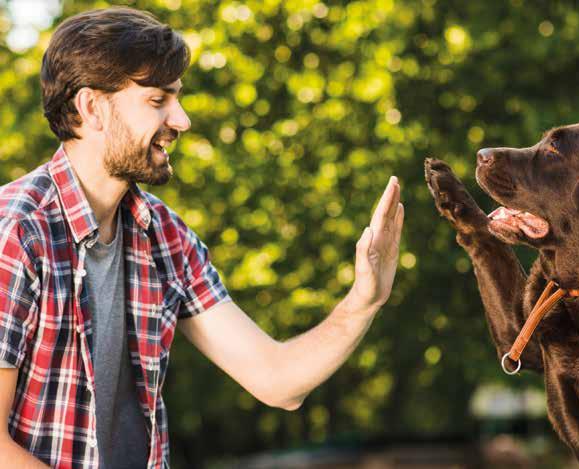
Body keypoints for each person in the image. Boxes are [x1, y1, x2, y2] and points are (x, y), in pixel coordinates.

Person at [0, 6, 404, 469]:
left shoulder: (165, 238)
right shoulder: (17, 233)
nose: (182, 120)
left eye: (178, 98)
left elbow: (277, 380)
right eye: (158, 101)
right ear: (91, 107)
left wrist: (363, 300)